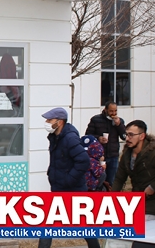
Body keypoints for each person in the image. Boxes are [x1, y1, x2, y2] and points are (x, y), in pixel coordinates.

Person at [38, 108, 99, 248]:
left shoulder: (70, 138)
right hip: (59, 188)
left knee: (84, 225)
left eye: (49, 120)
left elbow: (83, 161)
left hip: (73, 190)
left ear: (59, 122)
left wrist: (68, 180)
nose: (46, 123)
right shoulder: (55, 137)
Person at [111, 120, 155, 220]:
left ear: (142, 136)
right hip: (138, 200)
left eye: (131, 135)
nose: (127, 138)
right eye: (126, 134)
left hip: (152, 203)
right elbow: (119, 178)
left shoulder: (152, 153)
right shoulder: (126, 155)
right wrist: (111, 200)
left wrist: (152, 187)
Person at [85, 101, 126, 184]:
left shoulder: (119, 121)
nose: (113, 113)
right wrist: (98, 138)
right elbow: (88, 136)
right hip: (99, 156)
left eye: (115, 111)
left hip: (113, 155)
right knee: (100, 181)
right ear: (105, 110)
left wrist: (119, 125)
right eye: (111, 111)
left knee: (112, 181)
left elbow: (124, 136)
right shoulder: (96, 119)